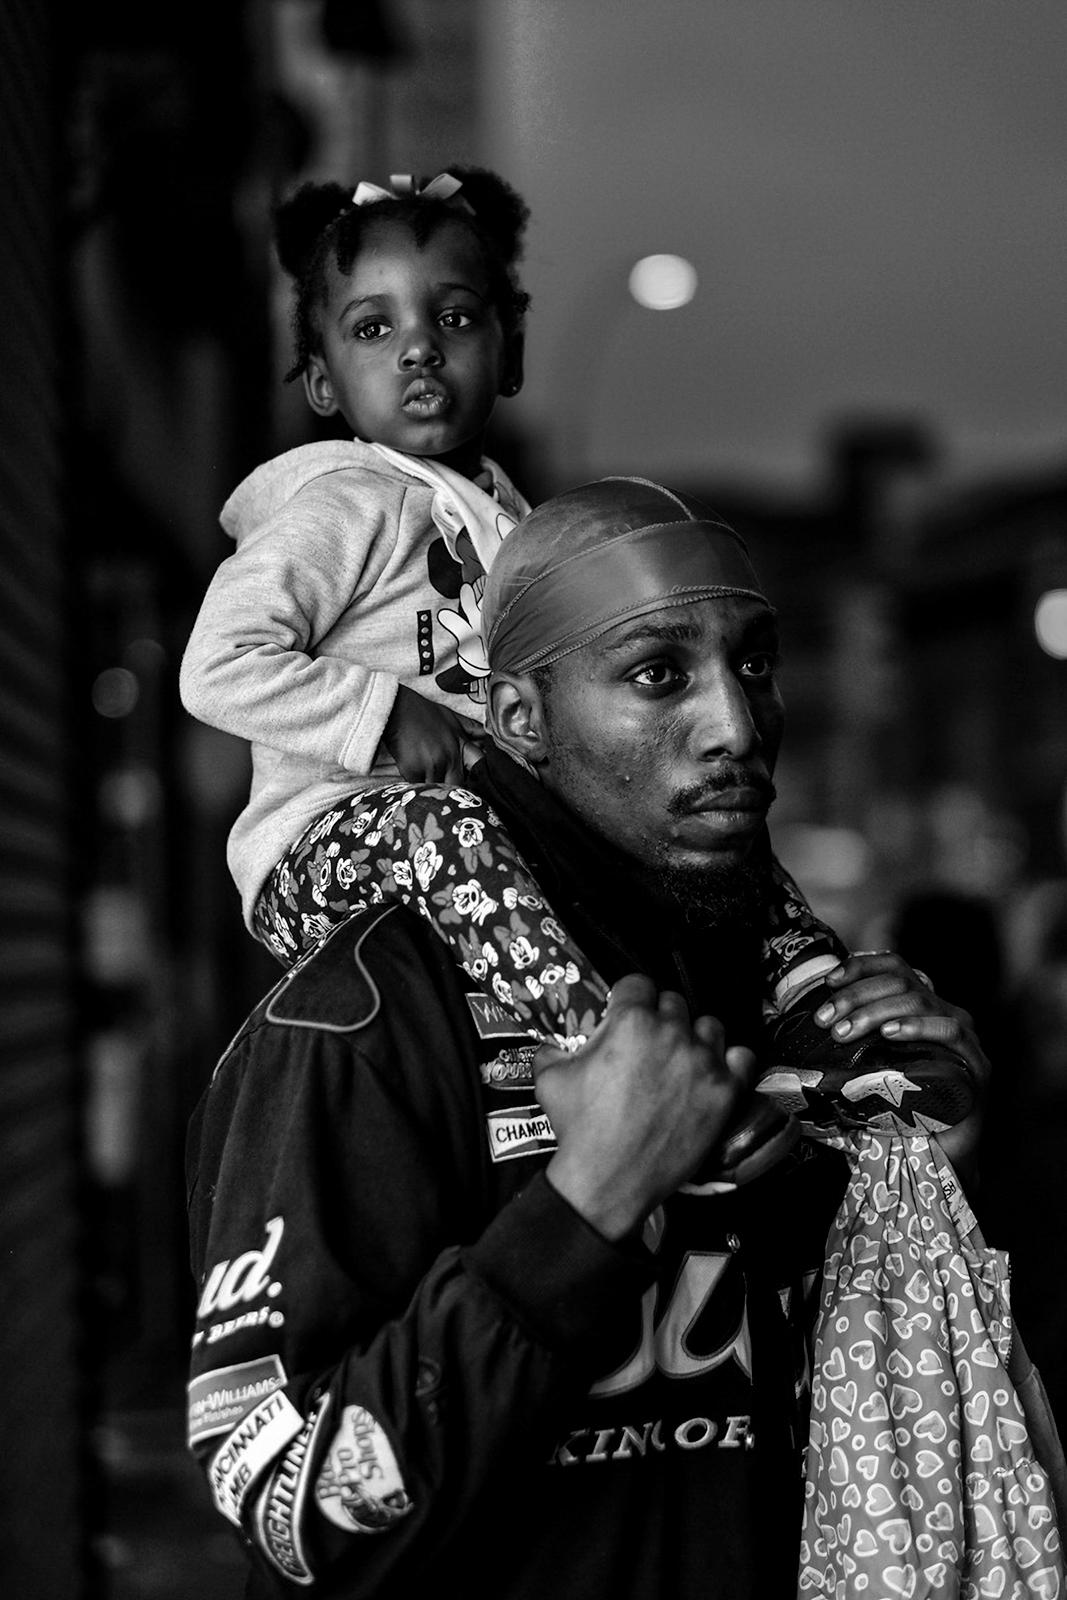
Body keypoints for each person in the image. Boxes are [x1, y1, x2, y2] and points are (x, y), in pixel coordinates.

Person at [185, 477, 990, 1598]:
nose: (736, 726)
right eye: (658, 674)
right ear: (519, 719)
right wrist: (582, 1208)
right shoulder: (357, 1022)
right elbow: (287, 1505)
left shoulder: (756, 983)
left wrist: (916, 1144)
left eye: (752, 663)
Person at [179, 166, 532, 937]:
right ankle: (603, 1044)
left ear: (510, 354)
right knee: (448, 832)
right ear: (322, 384)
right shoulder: (338, 506)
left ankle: (801, 987)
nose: (419, 349)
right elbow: (217, 666)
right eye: (374, 329)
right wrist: (387, 713)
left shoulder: (517, 525)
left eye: (457, 319)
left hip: (475, 846)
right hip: (324, 847)